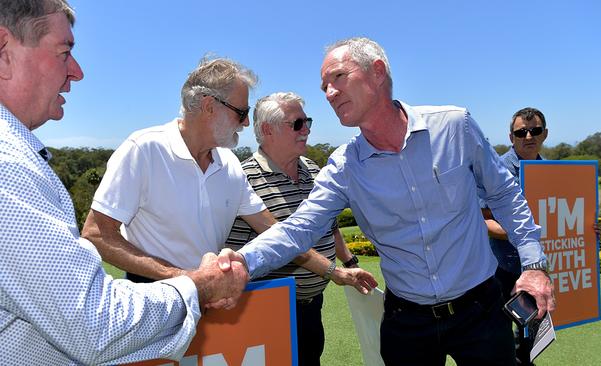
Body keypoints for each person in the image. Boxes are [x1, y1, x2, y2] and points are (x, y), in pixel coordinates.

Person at [218, 37, 555, 365]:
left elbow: (504, 193)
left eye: (337, 77)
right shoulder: (344, 165)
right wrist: (240, 263)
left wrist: (534, 265)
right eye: (324, 87)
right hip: (407, 323)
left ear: (377, 72)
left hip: (481, 311)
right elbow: (299, 229)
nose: (329, 93)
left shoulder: (455, 125)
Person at [0, 1, 247, 364]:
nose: (77, 72)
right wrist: (196, 284)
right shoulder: (8, 165)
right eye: (64, 52)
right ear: (4, 51)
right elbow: (95, 324)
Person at [81, 58, 373, 291]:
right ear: (209, 106)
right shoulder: (144, 149)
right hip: (152, 294)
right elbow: (96, 234)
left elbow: (278, 234)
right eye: (241, 112)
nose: (247, 122)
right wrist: (183, 278)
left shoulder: (229, 163)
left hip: (210, 297)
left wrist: (335, 272)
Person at [225, 92, 364, 366]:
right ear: (267, 130)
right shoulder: (242, 179)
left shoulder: (313, 169)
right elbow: (286, 243)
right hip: (265, 311)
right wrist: (334, 272)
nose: (308, 129)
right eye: (298, 123)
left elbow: (330, 226)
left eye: (307, 121)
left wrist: (349, 260)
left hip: (312, 306)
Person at [481, 107, 601, 365]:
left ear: (544, 134)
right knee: (500, 335)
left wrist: (587, 230)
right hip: (502, 268)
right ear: (511, 136)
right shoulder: (495, 169)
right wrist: (518, 235)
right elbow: (483, 220)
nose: (528, 136)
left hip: (539, 268)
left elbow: (565, 216)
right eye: (521, 132)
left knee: (531, 335)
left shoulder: (550, 172)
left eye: (534, 130)